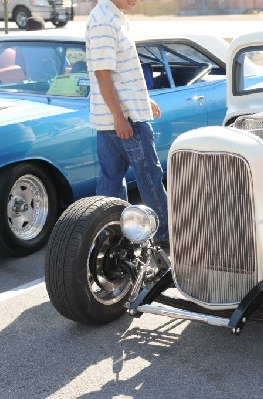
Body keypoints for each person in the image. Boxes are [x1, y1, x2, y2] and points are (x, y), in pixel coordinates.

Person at [86, 0, 169, 245]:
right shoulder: (104, 21)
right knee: (149, 177)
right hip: (125, 121)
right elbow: (103, 74)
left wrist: (144, 99)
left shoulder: (113, 16)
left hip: (119, 116)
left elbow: (121, 73)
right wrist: (120, 117)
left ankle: (108, 236)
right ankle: (163, 235)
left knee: (111, 181)